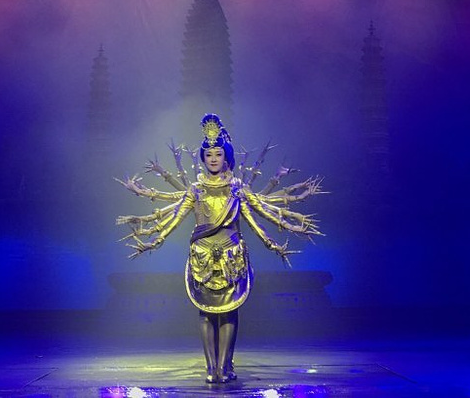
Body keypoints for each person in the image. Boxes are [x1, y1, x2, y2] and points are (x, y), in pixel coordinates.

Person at [116, 114, 323, 383]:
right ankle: (211, 368)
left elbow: (257, 215)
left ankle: (225, 366)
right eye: (209, 154)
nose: (213, 159)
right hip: (202, 257)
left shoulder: (237, 188)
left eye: (218, 154)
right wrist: (155, 239)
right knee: (205, 312)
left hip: (231, 258)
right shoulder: (195, 189)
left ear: (227, 157)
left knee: (229, 311)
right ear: (203, 158)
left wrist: (274, 240)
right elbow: (175, 217)